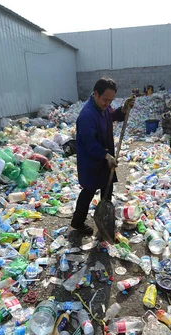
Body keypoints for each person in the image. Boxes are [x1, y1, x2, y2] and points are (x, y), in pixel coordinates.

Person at [70, 77, 135, 235]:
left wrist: (124, 109)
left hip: (105, 159)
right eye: (105, 100)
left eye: (111, 100)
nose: (108, 104)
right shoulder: (87, 116)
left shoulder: (103, 108)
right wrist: (105, 156)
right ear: (96, 94)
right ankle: (77, 223)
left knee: (107, 188)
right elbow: (89, 143)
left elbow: (113, 115)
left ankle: (105, 219)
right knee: (89, 192)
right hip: (92, 162)